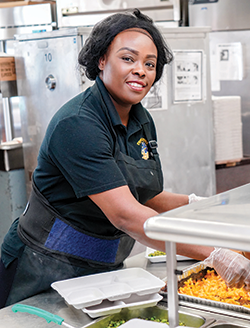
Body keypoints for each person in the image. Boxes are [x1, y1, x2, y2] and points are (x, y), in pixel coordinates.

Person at [1, 9, 250, 308]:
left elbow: (148, 194)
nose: (141, 70)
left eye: (150, 64)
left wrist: (199, 207)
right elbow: (126, 214)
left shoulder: (140, 119)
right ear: (101, 60)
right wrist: (215, 253)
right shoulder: (78, 125)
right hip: (42, 268)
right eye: (128, 58)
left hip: (103, 268)